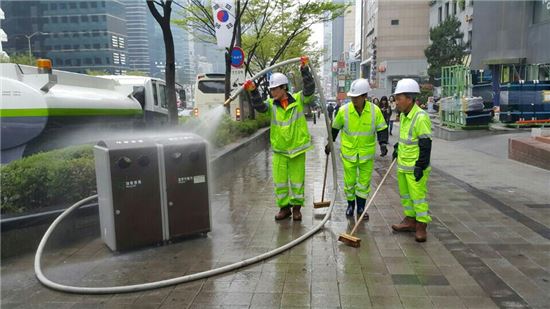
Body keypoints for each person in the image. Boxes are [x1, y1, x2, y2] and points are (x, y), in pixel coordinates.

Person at [243, 57, 315, 221]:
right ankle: (284, 208)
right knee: (280, 182)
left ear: (284, 88)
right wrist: (253, 91)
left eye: (275, 89)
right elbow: (260, 107)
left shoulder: (298, 100)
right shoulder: (271, 104)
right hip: (280, 151)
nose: (272, 92)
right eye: (271, 89)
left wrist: (304, 69)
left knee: (297, 181)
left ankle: (296, 208)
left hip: (297, 150)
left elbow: (309, 89)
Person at [325, 78, 388, 219]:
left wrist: (383, 143)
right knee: (349, 182)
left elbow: (382, 128)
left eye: (356, 97)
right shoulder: (343, 111)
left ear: (364, 96)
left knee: (364, 183)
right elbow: (334, 129)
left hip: (366, 154)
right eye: (352, 97)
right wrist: (330, 143)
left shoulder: (374, 111)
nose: (353, 100)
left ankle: (360, 208)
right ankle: (350, 205)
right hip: (349, 153)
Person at [391, 78, 432, 242]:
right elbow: (405, 138)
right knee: (406, 196)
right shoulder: (404, 115)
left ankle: (422, 225)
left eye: (399, 98)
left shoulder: (420, 117)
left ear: (409, 98)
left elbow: (425, 144)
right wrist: (396, 148)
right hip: (403, 165)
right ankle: (410, 220)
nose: (396, 102)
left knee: (418, 197)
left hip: (415, 166)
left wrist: (420, 166)